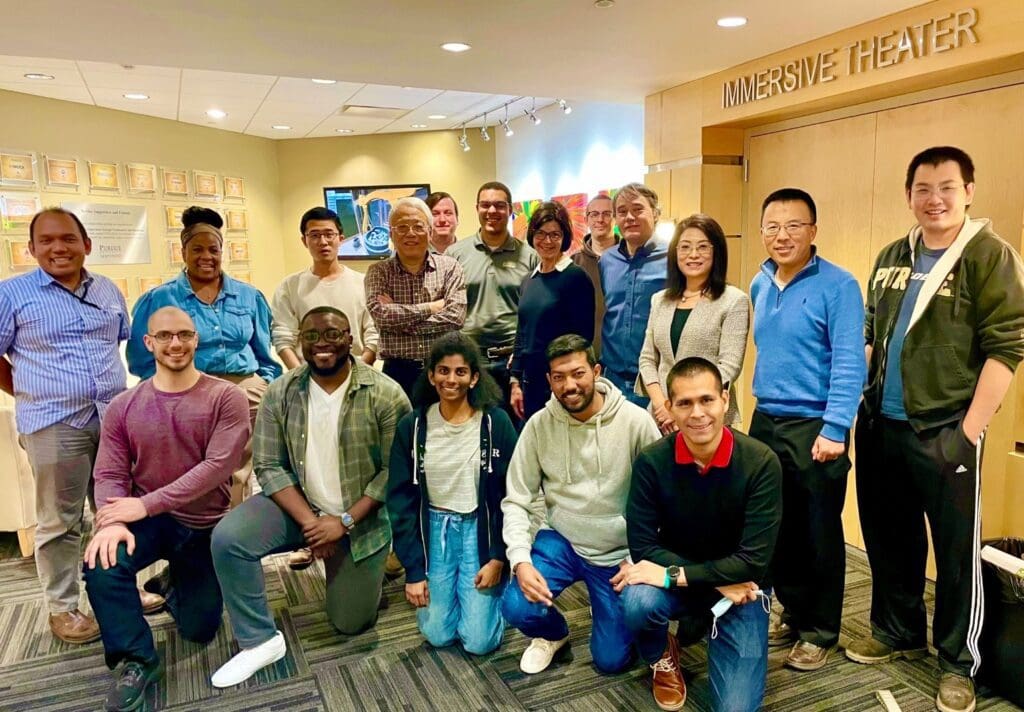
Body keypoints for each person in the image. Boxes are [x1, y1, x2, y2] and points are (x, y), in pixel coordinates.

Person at [848, 146, 1024, 712]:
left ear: (969, 190)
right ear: (909, 195)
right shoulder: (893, 254)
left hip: (947, 429)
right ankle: (897, 631)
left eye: (947, 187)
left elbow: (1007, 347)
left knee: (954, 555)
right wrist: (859, 398)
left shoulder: (988, 255)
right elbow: (871, 331)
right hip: (883, 424)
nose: (935, 199)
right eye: (923, 188)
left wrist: (969, 431)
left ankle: (957, 662)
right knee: (889, 537)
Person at [209, 307, 411, 688]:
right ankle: (260, 641)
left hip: (358, 520)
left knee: (350, 623)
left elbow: (394, 472)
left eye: (333, 334)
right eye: (312, 336)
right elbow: (268, 465)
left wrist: (344, 522)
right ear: (299, 341)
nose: (322, 345)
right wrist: (312, 525)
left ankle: (368, 571)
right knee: (229, 538)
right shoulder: (281, 391)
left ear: (350, 339)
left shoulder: (385, 394)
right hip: (299, 509)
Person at [0, 207, 161, 645]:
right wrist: (30, 392)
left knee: (117, 510)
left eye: (68, 238)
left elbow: (118, 345)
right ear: (31, 248)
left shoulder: (108, 290)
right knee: (59, 521)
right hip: (54, 424)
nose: (58, 248)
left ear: (86, 244)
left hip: (111, 419)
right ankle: (63, 607)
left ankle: (122, 588)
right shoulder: (12, 295)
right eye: (47, 240)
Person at [83, 306, 249, 712]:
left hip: (203, 524)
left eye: (184, 335)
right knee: (102, 561)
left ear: (196, 339)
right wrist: (110, 519)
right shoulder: (124, 405)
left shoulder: (227, 397)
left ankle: (173, 583)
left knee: (200, 628)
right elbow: (108, 470)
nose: (175, 343)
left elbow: (216, 469)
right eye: (165, 336)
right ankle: (135, 660)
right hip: (150, 521)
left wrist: (143, 503)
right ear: (148, 343)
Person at [748, 188, 865, 672]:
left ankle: (820, 630)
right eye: (773, 226)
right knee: (779, 525)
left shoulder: (839, 285)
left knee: (818, 528)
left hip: (817, 422)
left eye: (794, 225)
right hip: (766, 420)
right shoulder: (760, 283)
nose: (782, 235)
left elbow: (849, 361)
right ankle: (793, 612)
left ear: (813, 231)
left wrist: (836, 427)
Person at [621, 357, 782, 712]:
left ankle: (701, 622)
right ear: (669, 408)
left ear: (725, 399)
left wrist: (674, 574)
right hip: (708, 583)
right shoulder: (651, 462)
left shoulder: (761, 462)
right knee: (636, 601)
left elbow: (752, 562)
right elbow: (643, 544)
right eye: (685, 403)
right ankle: (664, 651)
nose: (697, 413)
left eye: (706, 400)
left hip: (743, 593)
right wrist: (710, 581)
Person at [501, 334, 660, 675]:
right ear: (549, 380)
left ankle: (608, 611)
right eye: (559, 377)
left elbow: (663, 499)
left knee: (612, 660)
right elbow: (517, 498)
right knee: (515, 604)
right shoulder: (539, 425)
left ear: (597, 371)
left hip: (617, 553)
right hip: (561, 540)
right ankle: (553, 634)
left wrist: (637, 559)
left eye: (578, 373)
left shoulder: (635, 422)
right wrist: (519, 562)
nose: (569, 385)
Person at [128, 206, 281, 505]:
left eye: (214, 249)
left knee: (236, 468)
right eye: (197, 249)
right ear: (183, 251)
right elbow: (140, 359)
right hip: (185, 389)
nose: (206, 256)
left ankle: (232, 522)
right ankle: (192, 523)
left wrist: (263, 382)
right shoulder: (160, 298)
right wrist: (169, 391)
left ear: (223, 251)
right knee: (191, 466)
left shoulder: (249, 296)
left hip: (242, 389)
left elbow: (264, 353)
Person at [387, 333, 518, 655]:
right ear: (431, 375)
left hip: (480, 529)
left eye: (461, 372)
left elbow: (510, 495)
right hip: (434, 531)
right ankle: (457, 601)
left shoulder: (495, 423)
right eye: (443, 370)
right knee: (438, 634)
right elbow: (400, 501)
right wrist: (414, 571)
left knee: (479, 642)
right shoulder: (413, 426)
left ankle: (495, 602)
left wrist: (499, 557)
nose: (451, 379)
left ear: (475, 377)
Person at [639, 214, 749, 434]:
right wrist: (663, 404)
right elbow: (647, 358)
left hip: (707, 417)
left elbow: (729, 366)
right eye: (685, 247)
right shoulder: (659, 299)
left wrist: (684, 405)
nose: (693, 254)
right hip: (662, 419)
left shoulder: (733, 300)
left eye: (702, 247)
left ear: (716, 251)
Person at [447, 182, 538, 408]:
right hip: (469, 359)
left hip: (513, 361)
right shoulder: (455, 255)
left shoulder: (530, 256)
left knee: (513, 434)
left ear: (510, 210)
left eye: (499, 205)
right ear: (477, 208)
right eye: (485, 205)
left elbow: (535, 315)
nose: (492, 211)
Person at [365, 197, 467, 397]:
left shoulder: (450, 267)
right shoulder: (378, 272)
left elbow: (455, 318)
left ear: (430, 232)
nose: (410, 233)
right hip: (397, 372)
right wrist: (430, 308)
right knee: (399, 427)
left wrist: (399, 320)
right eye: (402, 227)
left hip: (443, 370)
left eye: (418, 227)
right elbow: (381, 316)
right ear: (391, 234)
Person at [509, 201, 595, 421]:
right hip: (531, 384)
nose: (547, 241)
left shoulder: (576, 278)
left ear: (564, 238)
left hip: (561, 384)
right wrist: (515, 381)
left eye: (555, 235)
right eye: (541, 233)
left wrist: (565, 381)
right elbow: (523, 332)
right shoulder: (529, 280)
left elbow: (582, 339)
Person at [271, 206, 378, 369]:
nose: (323, 242)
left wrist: (356, 373)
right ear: (304, 241)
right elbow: (282, 337)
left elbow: (374, 334)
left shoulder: (363, 283)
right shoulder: (289, 287)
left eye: (329, 235)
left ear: (341, 238)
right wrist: (301, 376)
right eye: (314, 235)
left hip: (356, 372)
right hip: (307, 374)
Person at [600, 182, 669, 409]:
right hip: (612, 379)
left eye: (638, 209)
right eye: (622, 212)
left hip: (656, 381)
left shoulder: (673, 258)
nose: (629, 217)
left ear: (656, 214)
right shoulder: (607, 261)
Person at [572, 194, 618, 357]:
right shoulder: (573, 264)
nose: (600, 219)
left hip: (622, 358)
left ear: (616, 218)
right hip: (584, 357)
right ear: (586, 219)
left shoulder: (630, 260)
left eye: (607, 214)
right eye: (594, 214)